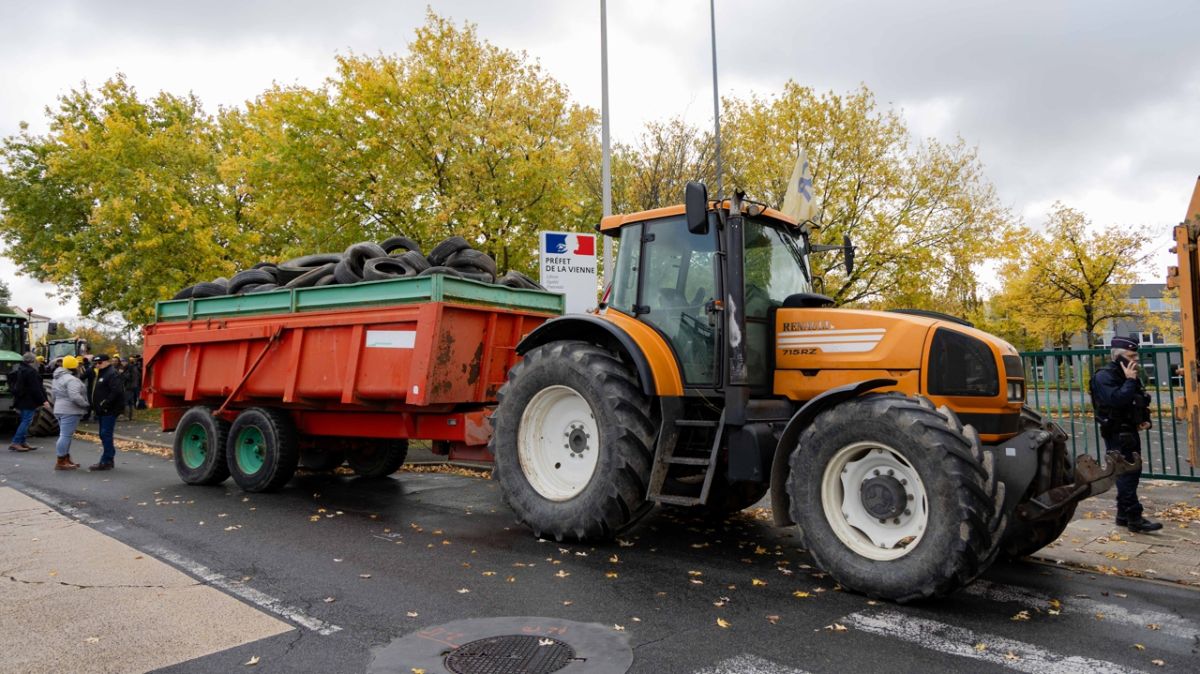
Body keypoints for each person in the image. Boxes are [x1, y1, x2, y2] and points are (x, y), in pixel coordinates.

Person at [1089, 336, 1163, 533]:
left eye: (1135, 355)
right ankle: (1134, 517)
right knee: (1127, 473)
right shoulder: (1105, 376)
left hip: (1129, 429)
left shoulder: (1128, 374)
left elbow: (1139, 398)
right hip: (1116, 431)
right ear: (1118, 356)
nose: (1135, 359)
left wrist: (1144, 418)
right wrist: (1130, 380)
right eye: (1131, 355)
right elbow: (1117, 400)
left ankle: (1123, 515)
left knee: (1131, 471)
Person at [51, 355, 89, 470]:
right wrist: (86, 404)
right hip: (70, 410)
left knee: (64, 435)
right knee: (65, 436)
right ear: (75, 367)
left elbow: (53, 395)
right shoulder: (72, 379)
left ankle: (65, 458)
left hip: (59, 409)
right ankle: (61, 460)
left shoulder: (57, 378)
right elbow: (75, 397)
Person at [8, 352, 51, 452]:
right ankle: (16, 442)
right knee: (26, 421)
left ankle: (22, 441)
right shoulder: (31, 372)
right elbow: (36, 388)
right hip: (28, 401)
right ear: (32, 361)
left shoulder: (20, 369)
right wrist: (44, 401)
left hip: (21, 399)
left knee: (24, 420)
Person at [88, 354, 125, 471]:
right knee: (103, 435)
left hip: (109, 410)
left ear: (106, 362)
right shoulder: (101, 373)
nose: (97, 365)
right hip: (101, 410)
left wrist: (106, 403)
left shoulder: (111, 373)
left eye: (99, 363)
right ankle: (108, 458)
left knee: (105, 434)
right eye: (95, 363)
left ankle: (106, 460)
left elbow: (117, 391)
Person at [120, 356, 141, 421]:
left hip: (129, 386)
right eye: (121, 361)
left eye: (123, 361)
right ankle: (132, 416)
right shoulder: (132, 367)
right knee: (131, 402)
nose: (122, 363)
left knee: (126, 401)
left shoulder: (129, 367)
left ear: (126, 362)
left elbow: (128, 377)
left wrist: (122, 373)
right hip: (133, 386)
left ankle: (127, 416)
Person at [80, 356, 95, 422]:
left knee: (89, 401)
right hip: (98, 388)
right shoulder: (103, 370)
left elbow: (82, 377)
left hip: (90, 388)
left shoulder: (90, 370)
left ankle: (87, 416)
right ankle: (96, 416)